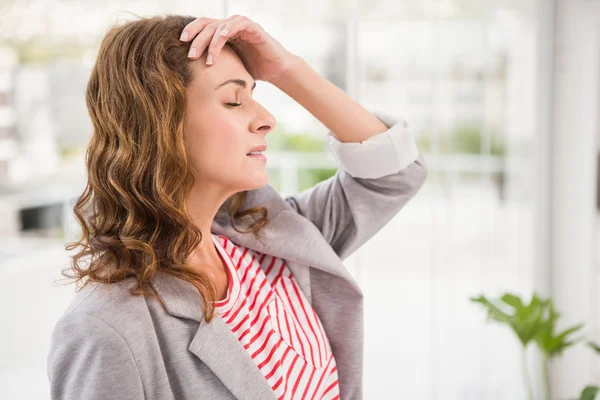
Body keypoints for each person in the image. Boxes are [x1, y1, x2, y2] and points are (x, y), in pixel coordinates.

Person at [46, 13, 428, 400]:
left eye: (255, 97)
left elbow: (394, 174)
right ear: (161, 123)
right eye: (233, 100)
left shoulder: (270, 239)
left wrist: (287, 70)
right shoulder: (106, 328)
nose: (266, 119)